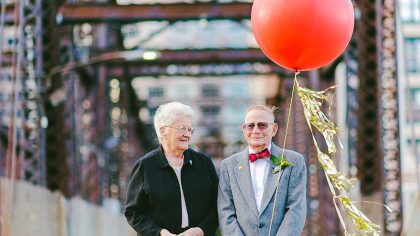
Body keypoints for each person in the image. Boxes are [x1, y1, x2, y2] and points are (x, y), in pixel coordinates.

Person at [125, 102, 219, 236]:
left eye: (189, 129)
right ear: (163, 131)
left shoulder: (204, 163)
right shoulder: (145, 166)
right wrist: (160, 233)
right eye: (182, 128)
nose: (187, 134)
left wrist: (201, 230)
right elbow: (133, 212)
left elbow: (218, 204)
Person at [217, 105, 307, 236]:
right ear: (244, 130)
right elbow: (225, 211)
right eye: (250, 126)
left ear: (274, 129)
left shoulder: (294, 161)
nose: (256, 130)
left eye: (262, 125)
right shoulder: (229, 165)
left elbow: (296, 209)